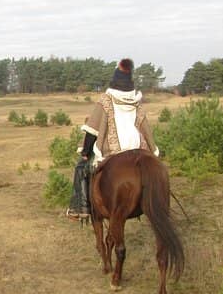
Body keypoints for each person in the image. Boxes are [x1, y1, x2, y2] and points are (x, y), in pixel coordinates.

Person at [67, 58, 159, 220]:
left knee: (81, 167)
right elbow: (144, 126)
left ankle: (81, 208)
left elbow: (92, 128)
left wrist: (86, 152)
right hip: (138, 147)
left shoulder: (106, 100)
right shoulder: (136, 101)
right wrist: (153, 149)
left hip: (114, 149)